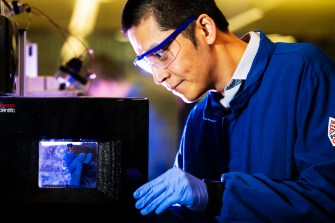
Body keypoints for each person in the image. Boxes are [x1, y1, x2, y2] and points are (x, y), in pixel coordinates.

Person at [120, 0, 335, 222]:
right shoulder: (199, 120)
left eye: (161, 54)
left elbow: (327, 198)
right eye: (147, 64)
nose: (158, 77)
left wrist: (216, 195)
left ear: (205, 29)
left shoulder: (304, 70)